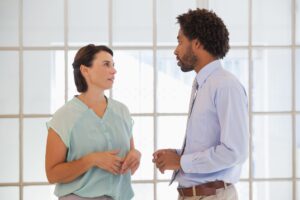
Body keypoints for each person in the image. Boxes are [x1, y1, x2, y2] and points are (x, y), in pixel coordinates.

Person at [153, 8, 249, 200]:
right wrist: (178, 155)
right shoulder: (202, 83)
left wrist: (182, 161)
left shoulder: (225, 85)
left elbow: (234, 152)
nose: (175, 50)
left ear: (196, 43)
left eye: (180, 41)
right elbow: (209, 143)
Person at [45, 44, 141, 200]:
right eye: (106, 64)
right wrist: (91, 160)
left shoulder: (122, 111)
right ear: (85, 70)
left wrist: (135, 155)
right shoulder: (64, 116)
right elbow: (52, 174)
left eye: (113, 65)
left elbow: (130, 153)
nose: (113, 70)